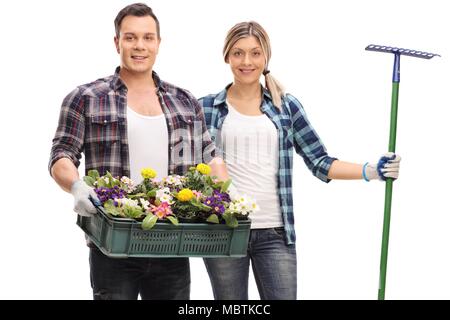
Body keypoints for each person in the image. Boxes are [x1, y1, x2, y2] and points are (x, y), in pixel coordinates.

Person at [199, 21, 401, 300]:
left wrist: (372, 170)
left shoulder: (286, 106)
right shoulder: (205, 108)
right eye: (238, 53)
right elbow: (190, 169)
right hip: (224, 232)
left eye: (255, 53)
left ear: (266, 57)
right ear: (226, 56)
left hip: (275, 233)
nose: (247, 61)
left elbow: (320, 161)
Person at [49, 3, 226, 300]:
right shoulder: (85, 98)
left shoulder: (184, 101)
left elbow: (211, 155)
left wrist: (225, 198)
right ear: (117, 42)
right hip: (114, 243)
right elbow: (62, 154)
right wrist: (76, 185)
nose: (139, 46)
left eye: (147, 38)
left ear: (158, 43)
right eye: (130, 38)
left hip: (173, 242)